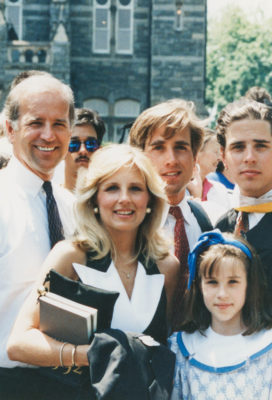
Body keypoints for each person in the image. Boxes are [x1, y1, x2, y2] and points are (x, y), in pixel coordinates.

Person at [7, 144, 179, 399]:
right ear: (94, 199)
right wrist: (91, 355)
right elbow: (18, 344)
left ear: (150, 200)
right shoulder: (71, 256)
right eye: (111, 188)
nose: (124, 198)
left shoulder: (167, 267)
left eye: (135, 188)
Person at [0, 74, 75, 397]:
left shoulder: (72, 207)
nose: (48, 135)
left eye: (59, 123)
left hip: (68, 382)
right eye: (36, 122)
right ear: (9, 129)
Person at [169, 230, 272, 400]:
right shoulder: (181, 348)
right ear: (199, 286)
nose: (222, 294)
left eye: (233, 282)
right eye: (212, 282)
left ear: (249, 284)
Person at [215, 99, 272, 339]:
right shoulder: (222, 228)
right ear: (223, 155)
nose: (249, 157)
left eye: (261, 146)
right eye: (238, 147)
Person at [129, 99, 212, 329]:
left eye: (180, 147)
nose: (171, 160)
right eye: (158, 147)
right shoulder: (126, 223)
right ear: (140, 157)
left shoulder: (204, 220)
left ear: (195, 157)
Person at [187, 128, 231, 224]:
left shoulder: (220, 190)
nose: (220, 158)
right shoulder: (178, 189)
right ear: (197, 152)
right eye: (216, 152)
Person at [64, 107, 105, 192]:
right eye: (74, 144)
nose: (83, 150)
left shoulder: (106, 201)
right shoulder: (48, 199)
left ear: (100, 151)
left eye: (91, 144)